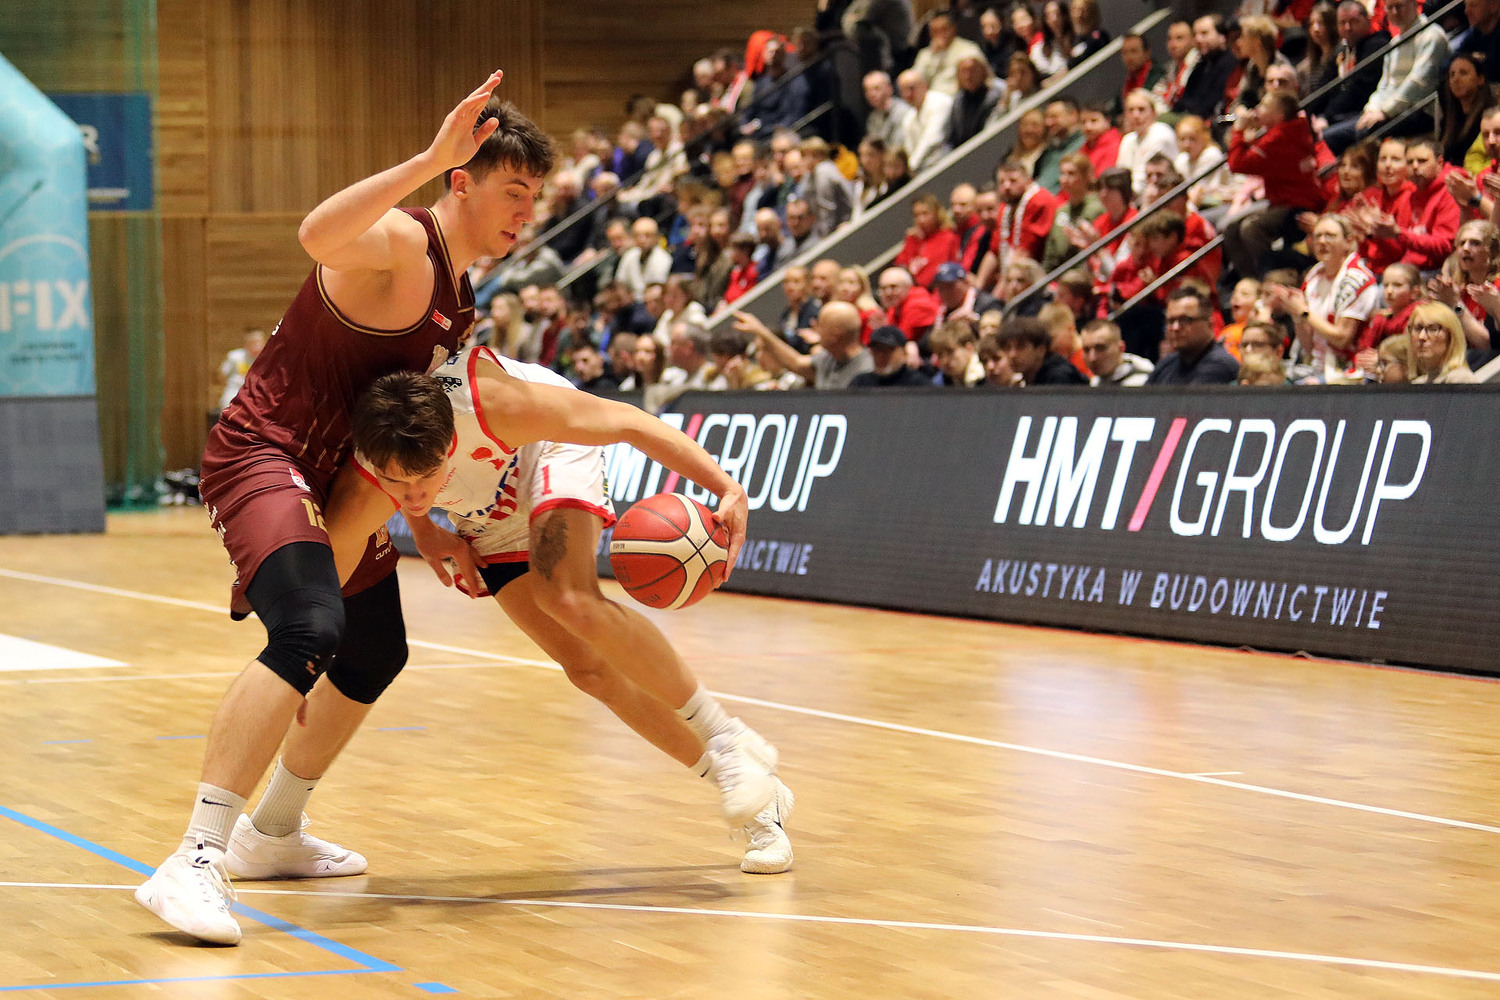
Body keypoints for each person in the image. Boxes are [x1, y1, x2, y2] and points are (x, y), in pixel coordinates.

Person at [133, 74, 553, 946]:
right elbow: (316, 234)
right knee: (309, 629)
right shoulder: (403, 242)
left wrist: (431, 525)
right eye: (514, 191)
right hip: (265, 452)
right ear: (464, 182)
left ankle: (272, 832)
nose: (526, 212)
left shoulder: (461, 299)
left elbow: (410, 427)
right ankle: (195, 857)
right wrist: (428, 156)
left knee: (374, 649)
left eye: (535, 197)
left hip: (337, 481)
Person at [334, 346, 789, 871]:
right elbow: (403, 483)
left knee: (566, 597)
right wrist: (424, 527)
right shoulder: (373, 443)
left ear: (449, 442)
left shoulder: (495, 404)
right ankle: (757, 800)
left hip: (548, 449)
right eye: (399, 484)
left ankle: (729, 739)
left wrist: (725, 486)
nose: (413, 496)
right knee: (589, 671)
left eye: (424, 479)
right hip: (486, 509)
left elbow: (630, 422)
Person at [735, 301, 875, 388]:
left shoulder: (868, 370)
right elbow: (796, 362)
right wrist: (761, 331)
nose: (814, 326)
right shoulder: (827, 358)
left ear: (835, 333)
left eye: (820, 323)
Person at [1146, 285, 1241, 384]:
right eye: (1170, 321)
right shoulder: (1166, 364)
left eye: (1185, 320)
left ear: (1209, 324)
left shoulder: (1221, 365)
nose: (1175, 327)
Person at [995, 314, 1088, 384]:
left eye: (1021, 347)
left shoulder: (1060, 378)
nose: (1012, 354)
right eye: (1007, 348)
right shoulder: (1027, 379)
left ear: (1041, 350)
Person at [895, 192, 962, 287]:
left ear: (936, 213)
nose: (921, 220)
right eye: (916, 215)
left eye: (925, 214)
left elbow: (932, 275)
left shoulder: (947, 238)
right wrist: (913, 242)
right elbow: (900, 267)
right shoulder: (913, 239)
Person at [1408, 301, 1479, 382]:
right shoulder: (1418, 383)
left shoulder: (1460, 379)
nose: (1421, 337)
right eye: (1418, 328)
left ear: (1450, 336)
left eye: (1433, 329)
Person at [849, 324, 932, 386]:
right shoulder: (861, 383)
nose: (881, 355)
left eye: (889, 350)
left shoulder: (918, 385)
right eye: (877, 350)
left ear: (904, 352)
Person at [1080, 318, 1153, 386]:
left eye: (1100, 348)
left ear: (1121, 348)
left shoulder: (1144, 382)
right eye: (1086, 350)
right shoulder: (1095, 382)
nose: (1092, 358)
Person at [216, 328, 265, 412]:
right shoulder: (235, 356)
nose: (257, 345)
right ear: (246, 343)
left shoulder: (267, 359)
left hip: (257, 396)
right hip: (235, 393)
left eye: (259, 342)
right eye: (253, 342)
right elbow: (222, 375)